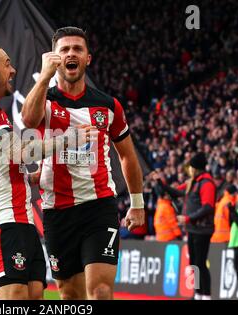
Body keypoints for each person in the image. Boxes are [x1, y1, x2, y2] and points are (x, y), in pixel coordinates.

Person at [0, 41, 94, 300]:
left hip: (22, 221)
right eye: (7, 63)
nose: (13, 70)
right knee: (15, 298)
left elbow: (6, 164)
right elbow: (20, 152)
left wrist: (33, 175)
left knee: (34, 296)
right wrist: (69, 139)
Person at [21, 27, 145, 300]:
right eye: (64, 50)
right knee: (69, 295)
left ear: (88, 58)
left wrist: (137, 204)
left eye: (77, 49)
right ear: (55, 57)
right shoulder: (45, 99)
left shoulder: (108, 106)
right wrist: (44, 76)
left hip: (98, 206)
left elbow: (127, 155)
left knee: (100, 291)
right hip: (57, 210)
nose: (71, 54)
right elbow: (28, 121)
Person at [154, 152, 216, 300]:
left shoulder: (207, 183)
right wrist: (161, 183)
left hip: (202, 229)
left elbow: (208, 207)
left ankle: (206, 295)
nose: (189, 170)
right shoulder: (192, 182)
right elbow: (176, 192)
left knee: (200, 262)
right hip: (193, 229)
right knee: (194, 263)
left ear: (196, 168)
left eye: (191, 167)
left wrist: (188, 218)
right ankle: (198, 293)